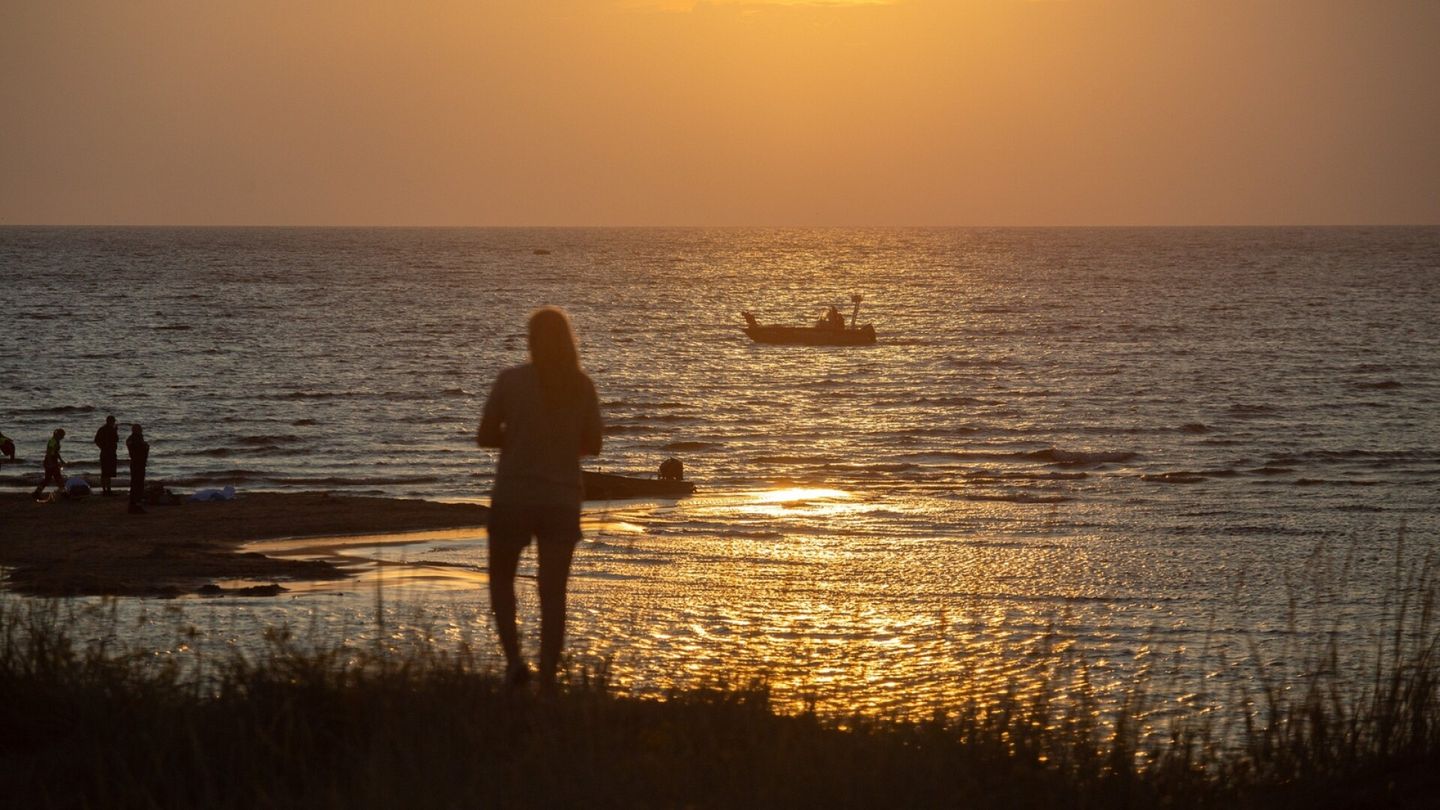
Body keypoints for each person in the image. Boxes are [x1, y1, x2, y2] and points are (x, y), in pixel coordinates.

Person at [477, 307, 603, 690]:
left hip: (514, 494)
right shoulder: (581, 385)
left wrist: (517, 439)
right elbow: (593, 445)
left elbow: (484, 436)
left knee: (502, 579)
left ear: (531, 341)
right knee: (553, 591)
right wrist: (560, 445)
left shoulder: (510, 381)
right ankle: (547, 676)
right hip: (561, 499)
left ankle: (515, 664)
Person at [31, 428, 66, 501]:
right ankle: (63, 493)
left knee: (54, 478)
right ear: (58, 435)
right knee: (54, 478)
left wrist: (61, 460)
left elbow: (56, 452)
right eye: (62, 435)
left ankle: (37, 493)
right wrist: (50, 463)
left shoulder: (56, 441)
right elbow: (48, 453)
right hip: (50, 461)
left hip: (53, 460)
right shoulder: (52, 441)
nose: (63, 437)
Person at [126, 424, 149, 514]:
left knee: (135, 484)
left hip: (136, 462)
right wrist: (146, 446)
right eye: (140, 429)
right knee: (138, 485)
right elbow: (140, 449)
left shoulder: (131, 439)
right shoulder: (137, 439)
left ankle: (133, 505)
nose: (141, 431)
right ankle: (136, 505)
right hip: (138, 463)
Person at [94, 415, 120, 496]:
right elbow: (97, 440)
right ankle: (106, 490)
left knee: (107, 472)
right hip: (107, 452)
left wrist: (102, 447)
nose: (114, 423)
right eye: (113, 421)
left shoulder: (106, 429)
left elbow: (116, 440)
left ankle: (107, 489)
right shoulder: (104, 429)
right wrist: (102, 447)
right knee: (106, 472)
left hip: (109, 452)